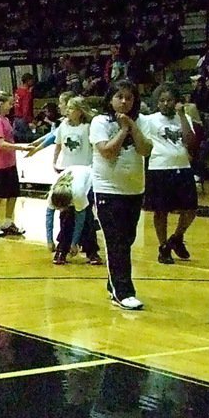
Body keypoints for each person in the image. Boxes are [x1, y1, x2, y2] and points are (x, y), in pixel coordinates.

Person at [90, 79, 152, 310]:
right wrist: (124, 129)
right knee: (115, 242)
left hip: (134, 189)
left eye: (129, 97)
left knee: (127, 240)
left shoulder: (142, 121)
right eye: (119, 97)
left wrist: (132, 126)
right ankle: (123, 292)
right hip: (108, 190)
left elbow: (145, 149)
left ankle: (113, 283)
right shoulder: (99, 122)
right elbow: (106, 151)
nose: (124, 101)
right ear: (110, 99)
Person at [139, 83, 198, 264]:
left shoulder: (184, 117)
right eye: (162, 101)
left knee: (191, 209)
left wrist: (182, 116)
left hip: (182, 167)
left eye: (169, 100)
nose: (166, 104)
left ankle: (177, 237)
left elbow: (191, 142)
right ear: (157, 103)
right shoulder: (149, 120)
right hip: (159, 169)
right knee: (161, 211)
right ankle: (163, 246)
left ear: (176, 102)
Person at [47, 97, 99, 263]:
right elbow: (58, 145)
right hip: (68, 174)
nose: (67, 111)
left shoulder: (88, 127)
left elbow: (96, 148)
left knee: (86, 215)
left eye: (71, 108)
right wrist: (55, 161)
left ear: (79, 110)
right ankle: (63, 247)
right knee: (65, 215)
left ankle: (91, 250)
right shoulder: (63, 126)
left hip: (86, 175)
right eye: (67, 108)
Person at [0, 92, 29, 236]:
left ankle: (9, 222)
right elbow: (1, 144)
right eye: (9, 103)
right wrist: (21, 147)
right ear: (0, 104)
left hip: (10, 163)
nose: (11, 106)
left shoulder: (6, 119)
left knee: (13, 193)